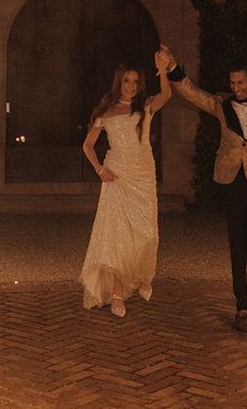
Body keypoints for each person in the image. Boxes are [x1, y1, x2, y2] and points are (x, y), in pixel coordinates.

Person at [159, 45, 247, 332]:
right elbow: (190, 91)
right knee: (237, 243)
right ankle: (241, 306)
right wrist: (173, 66)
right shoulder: (221, 103)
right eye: (232, 83)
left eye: (240, 82)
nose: (235, 88)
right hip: (231, 180)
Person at [79, 52, 172, 317]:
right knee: (117, 233)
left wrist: (162, 70)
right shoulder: (106, 112)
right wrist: (100, 169)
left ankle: (142, 275)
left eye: (135, 82)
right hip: (117, 174)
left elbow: (166, 95)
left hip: (143, 173)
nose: (130, 86)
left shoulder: (146, 106)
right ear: (119, 82)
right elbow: (87, 145)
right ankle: (118, 294)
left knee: (145, 230)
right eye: (126, 81)